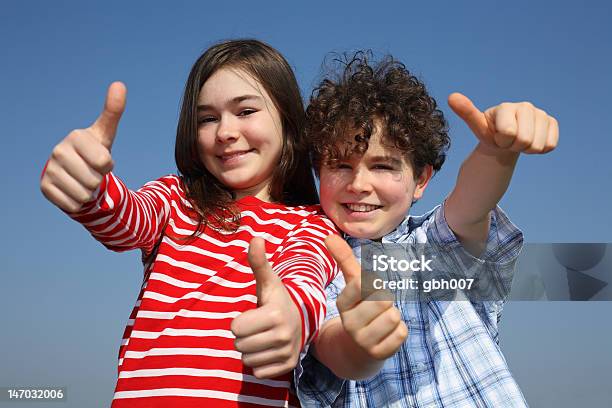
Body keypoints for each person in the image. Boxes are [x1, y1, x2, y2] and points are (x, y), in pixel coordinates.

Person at [40, 39, 341, 407]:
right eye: (207, 118)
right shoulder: (175, 200)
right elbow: (124, 219)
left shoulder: (311, 223)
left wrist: (290, 320)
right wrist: (89, 187)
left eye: (245, 111)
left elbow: (304, 278)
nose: (225, 131)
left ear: (288, 120)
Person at [296, 52, 558, 407]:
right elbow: (335, 349)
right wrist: (359, 342)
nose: (358, 184)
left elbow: (472, 202)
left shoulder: (435, 244)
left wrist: (496, 152)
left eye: (383, 166)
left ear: (420, 180)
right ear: (318, 173)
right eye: (340, 164)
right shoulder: (312, 268)